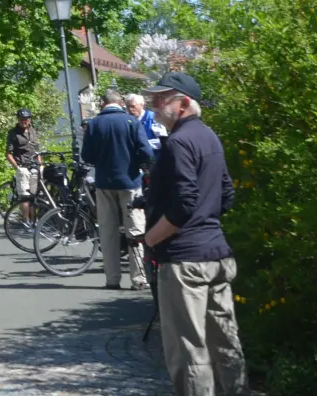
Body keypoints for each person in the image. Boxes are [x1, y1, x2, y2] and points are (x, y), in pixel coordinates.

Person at [142, 72, 247, 396]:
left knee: (190, 353)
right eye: (154, 99)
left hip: (186, 262)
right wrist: (205, 221)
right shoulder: (209, 137)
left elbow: (184, 206)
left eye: (162, 99)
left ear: (184, 103)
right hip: (216, 255)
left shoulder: (179, 142)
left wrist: (150, 239)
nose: (154, 105)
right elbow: (226, 194)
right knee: (225, 341)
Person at [83, 90, 155, 290]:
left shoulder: (94, 124)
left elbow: (86, 155)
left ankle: (112, 279)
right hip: (130, 182)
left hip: (104, 182)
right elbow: (146, 151)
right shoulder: (132, 122)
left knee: (108, 232)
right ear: (120, 103)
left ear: (103, 104)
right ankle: (139, 278)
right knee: (135, 230)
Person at [5, 109, 40, 199]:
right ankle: (25, 214)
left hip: (35, 167)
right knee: (25, 197)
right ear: (18, 119)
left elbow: (37, 150)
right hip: (23, 166)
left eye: (26, 119)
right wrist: (18, 168)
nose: (24, 121)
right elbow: (8, 153)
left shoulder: (33, 131)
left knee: (35, 196)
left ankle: (32, 214)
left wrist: (40, 164)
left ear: (30, 120)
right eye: (22, 119)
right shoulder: (13, 133)